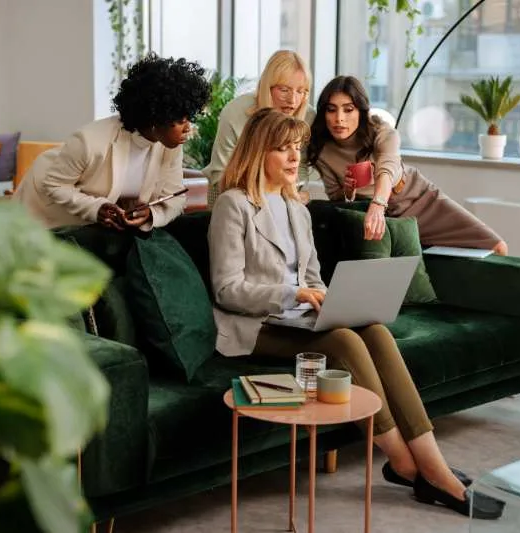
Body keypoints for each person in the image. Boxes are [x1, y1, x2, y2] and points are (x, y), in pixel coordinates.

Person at [208, 108, 504, 519]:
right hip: (255, 324)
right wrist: (296, 293)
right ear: (259, 153)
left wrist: (334, 300)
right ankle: (410, 466)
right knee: (345, 340)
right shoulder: (233, 205)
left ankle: (429, 461)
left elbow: (313, 276)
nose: (295, 158)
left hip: (300, 317)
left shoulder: (297, 207)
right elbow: (227, 290)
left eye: (297, 148)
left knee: (375, 330)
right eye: (283, 149)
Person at [307, 75, 508, 255]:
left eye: (348, 109)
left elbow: (387, 167)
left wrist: (378, 204)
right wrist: (348, 191)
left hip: (417, 199)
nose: (339, 118)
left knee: (496, 246)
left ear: (361, 111)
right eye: (331, 110)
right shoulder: (322, 148)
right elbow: (337, 199)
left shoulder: (382, 131)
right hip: (379, 218)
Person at [15, 53, 210, 230]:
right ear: (155, 118)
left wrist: (151, 214)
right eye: (180, 121)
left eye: (189, 119)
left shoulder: (170, 147)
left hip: (97, 231)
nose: (188, 128)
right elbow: (55, 186)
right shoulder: (89, 140)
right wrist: (96, 209)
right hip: (46, 209)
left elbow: (176, 198)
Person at [203, 50, 316, 209]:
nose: (293, 100)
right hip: (230, 195)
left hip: (283, 198)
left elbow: (302, 166)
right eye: (284, 90)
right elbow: (220, 173)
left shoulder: (308, 115)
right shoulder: (235, 112)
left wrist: (291, 193)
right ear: (267, 87)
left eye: (301, 91)